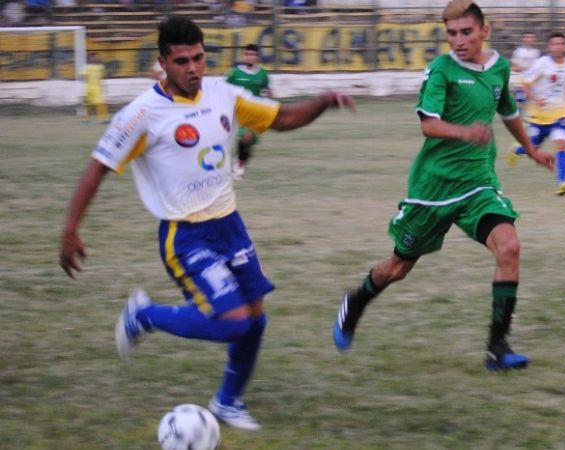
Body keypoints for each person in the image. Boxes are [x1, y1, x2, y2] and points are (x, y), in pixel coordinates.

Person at [58, 16, 354, 431]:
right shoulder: (141, 114)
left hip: (229, 224)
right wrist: (70, 229)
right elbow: (98, 167)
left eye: (199, 58)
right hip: (185, 234)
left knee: (256, 316)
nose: (193, 68)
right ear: (162, 61)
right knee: (232, 321)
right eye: (182, 61)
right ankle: (145, 315)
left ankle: (228, 402)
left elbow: (281, 119)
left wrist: (323, 101)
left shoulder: (223, 94)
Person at [332, 0, 554, 371]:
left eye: (466, 32)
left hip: (478, 184)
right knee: (398, 268)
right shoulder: (441, 70)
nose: (458, 40)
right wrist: (465, 132)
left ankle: (497, 348)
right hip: (433, 190)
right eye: (451, 33)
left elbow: (508, 112)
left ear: (485, 30)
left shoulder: (498, 67)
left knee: (510, 247)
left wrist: (531, 149)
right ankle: (356, 302)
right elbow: (428, 124)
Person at [508, 32, 565, 196]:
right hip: (538, 116)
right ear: (549, 47)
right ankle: (517, 150)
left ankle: (562, 182)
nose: (558, 46)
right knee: (533, 149)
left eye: (561, 43)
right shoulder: (541, 64)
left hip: (560, 113)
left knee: (562, 144)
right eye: (554, 43)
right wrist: (536, 99)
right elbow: (524, 84)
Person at [225, 43, 272, 179]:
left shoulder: (263, 74)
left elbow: (266, 90)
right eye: (248, 54)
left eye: (253, 55)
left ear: (257, 57)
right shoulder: (234, 73)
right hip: (238, 111)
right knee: (245, 136)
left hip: (255, 112)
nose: (250, 57)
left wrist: (269, 97)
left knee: (249, 143)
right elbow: (224, 88)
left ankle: (239, 162)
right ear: (244, 56)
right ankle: (238, 166)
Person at [509, 31, 540, 103]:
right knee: (521, 103)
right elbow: (513, 67)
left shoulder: (536, 52)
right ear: (523, 39)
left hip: (533, 84)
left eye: (531, 37)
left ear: (534, 40)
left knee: (532, 104)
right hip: (521, 84)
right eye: (527, 37)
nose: (529, 39)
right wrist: (523, 68)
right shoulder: (518, 51)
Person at [79, 53, 109, 123]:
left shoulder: (100, 67)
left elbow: (102, 77)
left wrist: (103, 85)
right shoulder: (86, 67)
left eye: (95, 57)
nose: (94, 58)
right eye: (93, 57)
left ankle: (103, 119)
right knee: (88, 104)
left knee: (101, 103)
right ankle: (85, 119)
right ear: (89, 59)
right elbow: (82, 76)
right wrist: (87, 81)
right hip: (89, 87)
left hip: (97, 88)